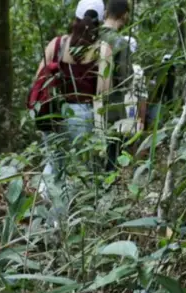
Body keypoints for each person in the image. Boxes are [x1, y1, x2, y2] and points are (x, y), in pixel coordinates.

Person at [38, 0, 104, 184]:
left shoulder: (57, 44)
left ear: (75, 18)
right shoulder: (101, 50)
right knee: (79, 169)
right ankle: (70, 211)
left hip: (54, 111)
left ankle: (45, 208)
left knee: (54, 163)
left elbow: (39, 78)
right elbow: (102, 93)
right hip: (83, 115)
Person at [97, 0, 134, 170]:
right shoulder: (119, 43)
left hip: (80, 105)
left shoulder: (88, 35)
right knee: (112, 154)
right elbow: (126, 77)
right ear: (124, 15)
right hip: (111, 105)